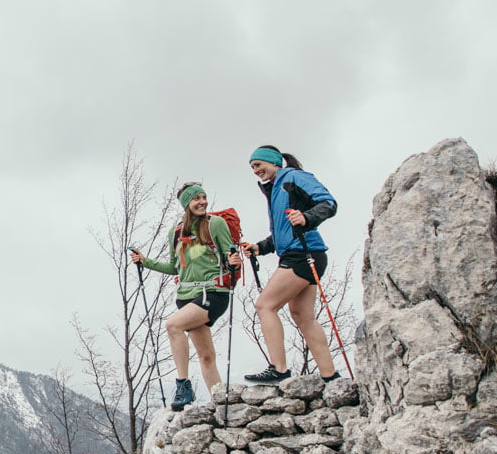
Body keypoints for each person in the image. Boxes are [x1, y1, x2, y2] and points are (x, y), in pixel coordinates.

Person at [129, 182, 236, 410]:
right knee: (206, 355)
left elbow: (229, 253)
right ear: (186, 203)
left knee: (173, 325)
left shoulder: (215, 224)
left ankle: (183, 386)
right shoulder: (175, 233)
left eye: (204, 197)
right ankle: (220, 403)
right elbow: (174, 267)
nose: (202, 202)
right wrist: (145, 261)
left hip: (212, 293)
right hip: (186, 296)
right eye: (196, 198)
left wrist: (233, 260)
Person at [240, 145, 340, 383]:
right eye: (252, 167)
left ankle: (279, 368)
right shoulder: (275, 189)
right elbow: (284, 232)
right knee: (303, 316)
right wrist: (260, 247)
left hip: (303, 255)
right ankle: (330, 376)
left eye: (258, 165)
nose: (255, 171)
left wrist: (306, 218)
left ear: (274, 161)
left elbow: (328, 203)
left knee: (265, 306)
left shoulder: (294, 177)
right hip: (302, 254)